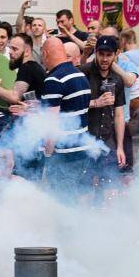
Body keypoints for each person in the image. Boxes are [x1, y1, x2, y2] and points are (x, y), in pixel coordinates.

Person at [41, 37, 92, 193]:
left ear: (45, 53)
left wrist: (48, 156)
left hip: (64, 155)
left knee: (61, 203)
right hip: (84, 150)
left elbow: (52, 125)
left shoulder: (53, 80)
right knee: (77, 202)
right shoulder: (80, 76)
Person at [80, 35, 127, 194]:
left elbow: (119, 115)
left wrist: (120, 147)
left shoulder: (117, 79)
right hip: (85, 142)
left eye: (109, 55)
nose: (105, 59)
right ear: (95, 52)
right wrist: (95, 103)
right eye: (101, 54)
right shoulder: (83, 73)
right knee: (85, 191)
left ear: (116, 54)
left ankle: (107, 219)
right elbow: (71, 106)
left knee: (110, 189)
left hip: (108, 142)